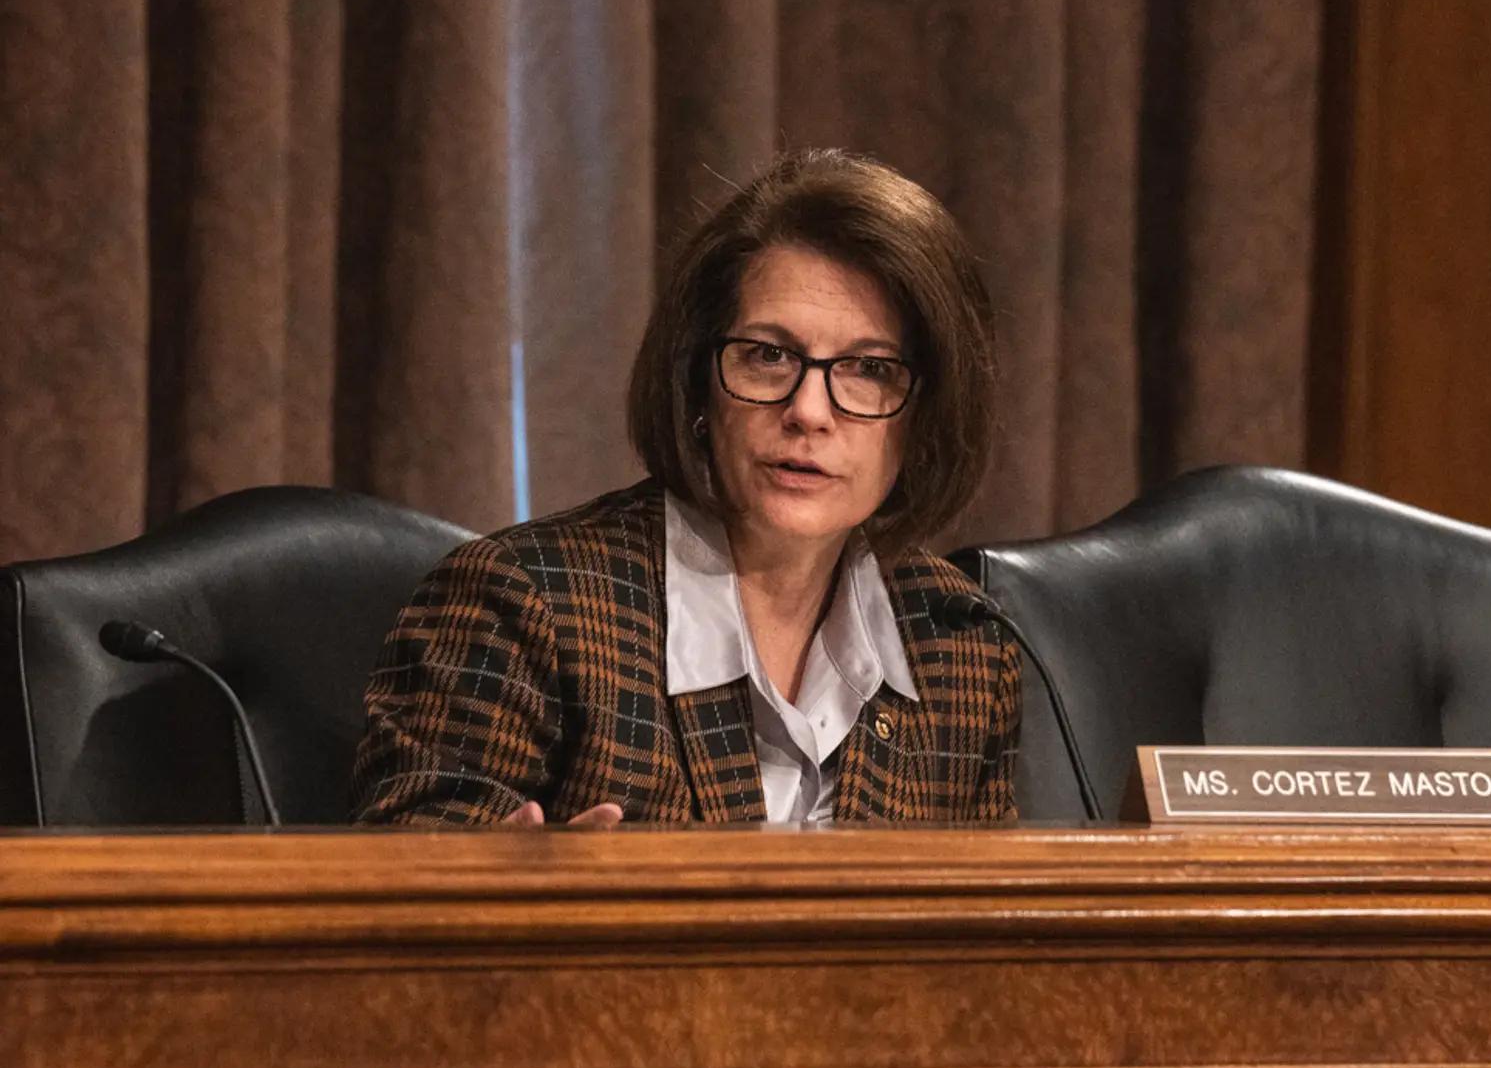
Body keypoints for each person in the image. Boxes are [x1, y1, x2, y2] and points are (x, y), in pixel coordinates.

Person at [350, 149, 1019, 827]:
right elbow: (408, 902)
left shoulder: (960, 646)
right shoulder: (524, 608)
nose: (810, 411)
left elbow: (984, 929)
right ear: (700, 382)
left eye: (870, 368)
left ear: (925, 415)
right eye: (768, 355)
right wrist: (523, 912)